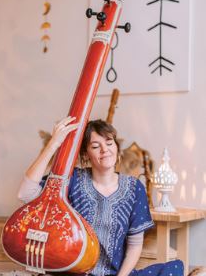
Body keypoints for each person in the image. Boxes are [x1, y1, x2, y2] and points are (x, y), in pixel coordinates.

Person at [18, 116, 184, 276]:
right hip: (74, 272)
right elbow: (26, 193)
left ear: (117, 148)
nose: (105, 150)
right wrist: (53, 144)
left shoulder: (134, 188)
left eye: (109, 143)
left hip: (116, 273)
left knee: (174, 268)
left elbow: (135, 245)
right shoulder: (72, 180)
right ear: (86, 154)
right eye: (96, 146)